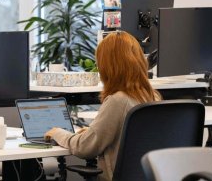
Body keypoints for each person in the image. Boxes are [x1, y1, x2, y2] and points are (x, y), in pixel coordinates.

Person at [45, 32, 162, 181]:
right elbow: (132, 139)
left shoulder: (118, 100)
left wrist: (57, 133)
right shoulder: (153, 96)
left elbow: (84, 148)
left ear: (108, 66)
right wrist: (93, 132)